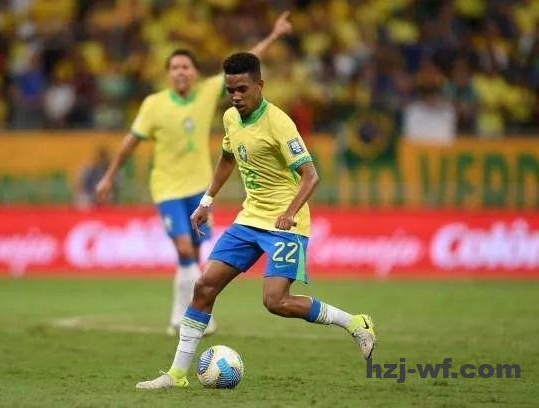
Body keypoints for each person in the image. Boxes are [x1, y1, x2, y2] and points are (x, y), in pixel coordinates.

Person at [135, 52, 376, 390]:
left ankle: (354, 322)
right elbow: (227, 159)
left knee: (275, 302)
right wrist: (206, 201)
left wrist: (289, 212)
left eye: (242, 89)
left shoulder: (279, 122)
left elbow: (311, 175)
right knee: (204, 286)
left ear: (260, 85)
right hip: (250, 218)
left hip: (286, 223)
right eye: (231, 90)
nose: (236, 97)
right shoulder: (231, 118)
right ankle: (176, 375)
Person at [95, 12, 294, 336]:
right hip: (167, 189)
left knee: (197, 253)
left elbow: (247, 62)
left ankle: (185, 314)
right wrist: (109, 176)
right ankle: (186, 317)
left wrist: (274, 35)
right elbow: (130, 142)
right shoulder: (154, 104)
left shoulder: (207, 91)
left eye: (186, 67)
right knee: (185, 250)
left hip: (199, 188)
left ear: (196, 73)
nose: (180, 72)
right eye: (174, 67)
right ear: (168, 74)